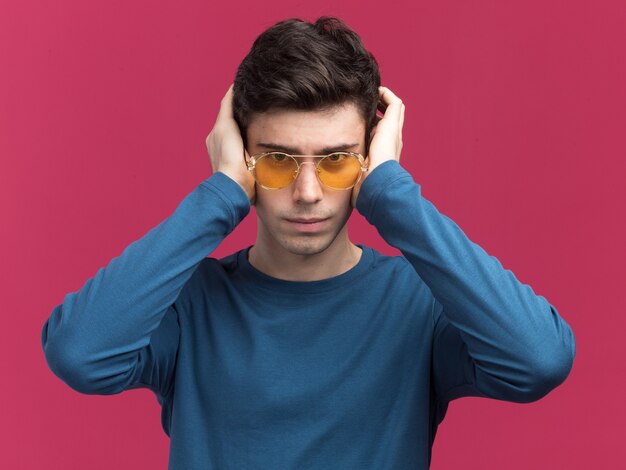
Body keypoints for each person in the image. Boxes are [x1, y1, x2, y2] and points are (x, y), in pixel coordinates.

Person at [41, 16, 576, 469]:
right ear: (240, 156)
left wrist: (393, 194)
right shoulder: (188, 303)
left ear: (369, 159)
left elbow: (538, 360)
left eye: (338, 160)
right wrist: (220, 194)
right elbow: (80, 353)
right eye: (277, 160)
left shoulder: (420, 305)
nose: (307, 193)